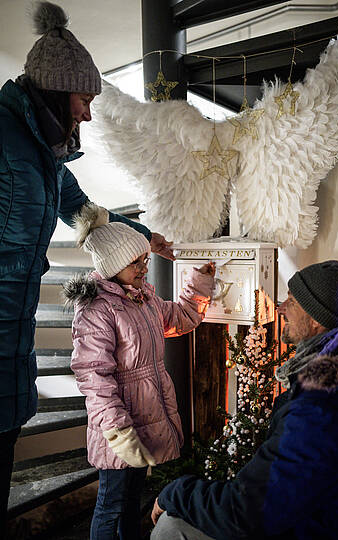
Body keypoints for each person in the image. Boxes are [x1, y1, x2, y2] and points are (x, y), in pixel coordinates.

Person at [0, 1, 173, 533]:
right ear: (55, 93)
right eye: (84, 100)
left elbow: (87, 211)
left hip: (14, 329)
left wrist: (150, 238)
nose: (88, 113)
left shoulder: (45, 156)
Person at [150, 260, 338, 540]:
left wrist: (175, 492)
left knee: (170, 529)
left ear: (316, 318)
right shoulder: (334, 377)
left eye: (292, 301)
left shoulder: (321, 405)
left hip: (311, 527)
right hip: (312, 516)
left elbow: (246, 513)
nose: (281, 307)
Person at [63, 202, 215, 540]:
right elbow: (93, 377)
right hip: (121, 427)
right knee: (111, 503)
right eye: (136, 262)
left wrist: (200, 282)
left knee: (132, 499)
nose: (145, 267)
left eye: (145, 259)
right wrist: (118, 432)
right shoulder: (96, 310)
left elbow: (181, 319)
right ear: (114, 266)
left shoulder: (141, 298)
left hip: (145, 416)